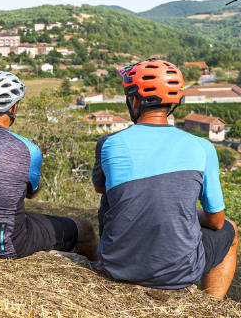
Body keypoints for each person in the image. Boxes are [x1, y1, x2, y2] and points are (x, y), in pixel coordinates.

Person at [93, 58, 237, 298]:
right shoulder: (203, 147)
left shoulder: (107, 143)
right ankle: (212, 304)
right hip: (180, 273)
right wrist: (187, 212)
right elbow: (217, 222)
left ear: (135, 100)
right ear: (174, 102)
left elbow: (102, 188)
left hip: (116, 267)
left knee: (109, 200)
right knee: (231, 230)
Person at [0, 71, 98, 260]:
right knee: (85, 228)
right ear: (14, 107)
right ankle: (98, 272)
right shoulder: (28, 149)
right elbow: (31, 193)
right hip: (3, 245)